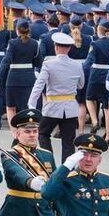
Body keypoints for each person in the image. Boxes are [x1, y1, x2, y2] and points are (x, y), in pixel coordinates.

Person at [28, 31, 83, 160]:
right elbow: (81, 85)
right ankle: (67, 168)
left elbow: (39, 85)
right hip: (70, 107)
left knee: (43, 133)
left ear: (56, 47)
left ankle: (49, 160)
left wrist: (32, 103)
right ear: (69, 48)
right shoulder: (77, 65)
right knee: (68, 141)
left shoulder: (48, 64)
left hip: (53, 106)